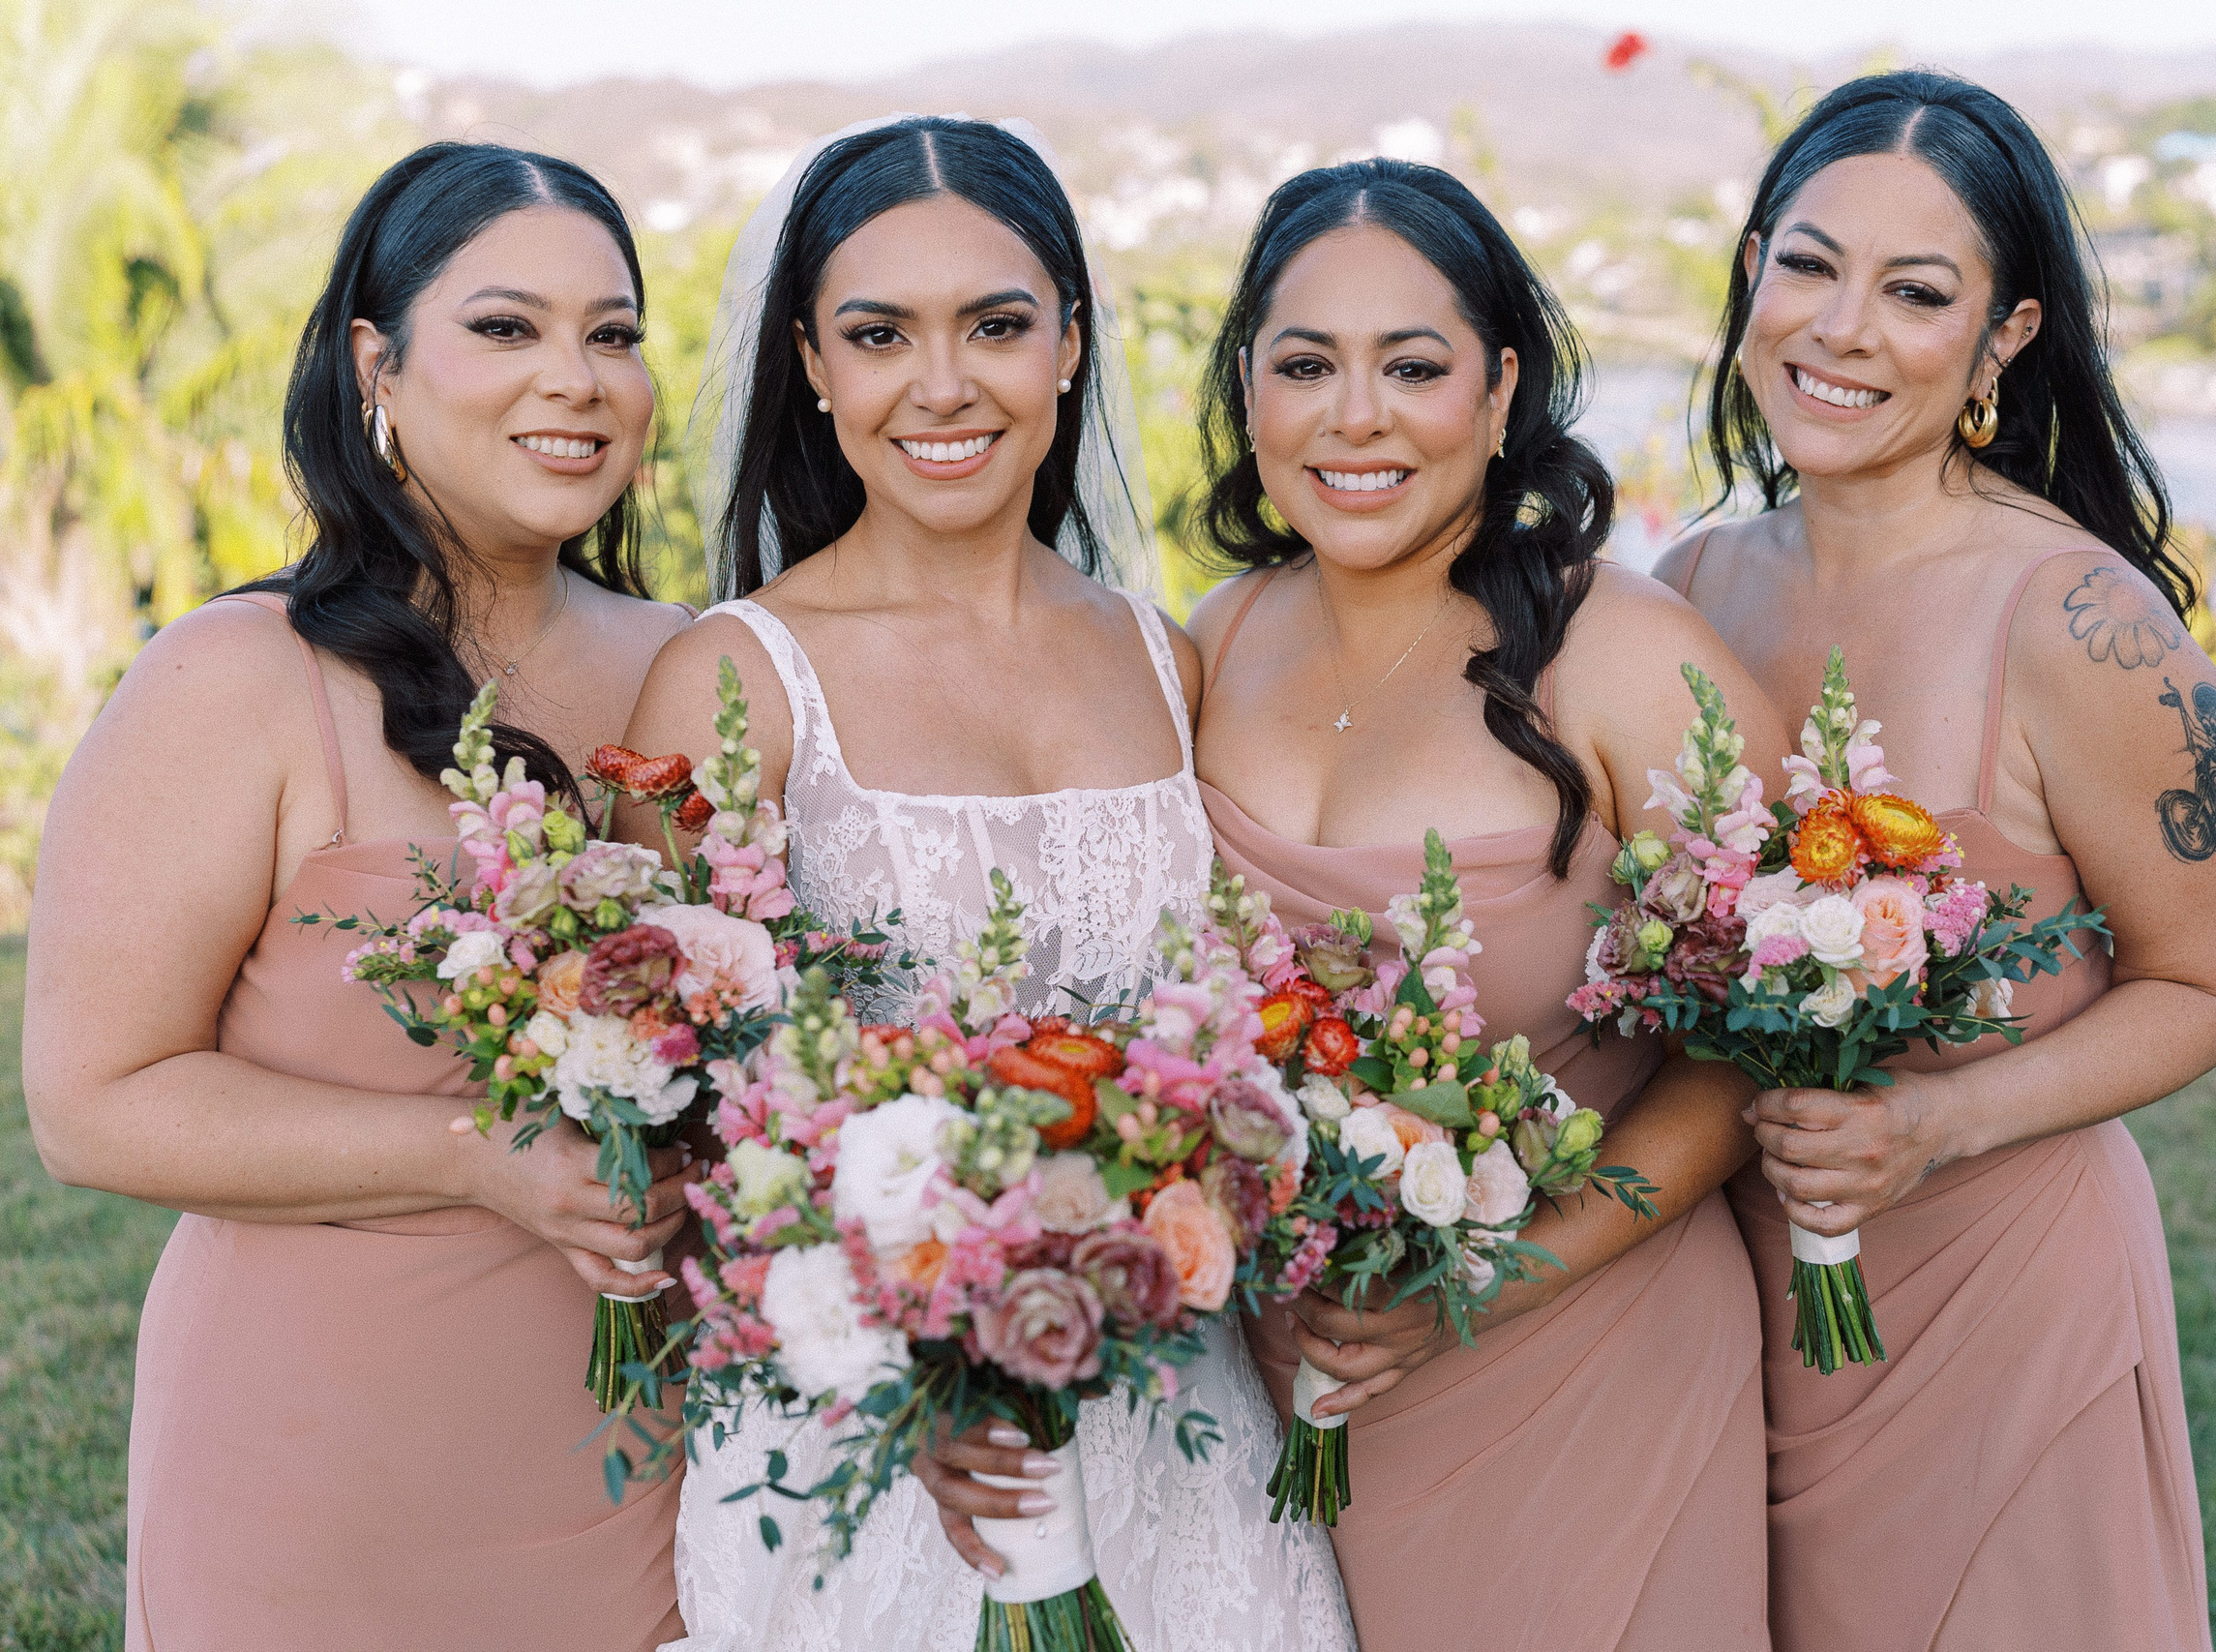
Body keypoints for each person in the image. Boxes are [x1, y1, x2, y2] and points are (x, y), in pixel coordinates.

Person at [617, 115, 1355, 1652]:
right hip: (875, 1446)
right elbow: (677, 1118)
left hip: (1172, 1415)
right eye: (879, 334)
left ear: (1070, 346)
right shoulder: (737, 682)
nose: (942, 385)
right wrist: (911, 1377)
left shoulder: (1165, 660)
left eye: (997, 327)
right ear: (812, 366)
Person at [1081, 154, 1783, 1650]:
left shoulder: (1629, 657)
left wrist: (1499, 1277)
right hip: (1280, 1398)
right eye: (1306, 366)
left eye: (1413, 366)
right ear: (1248, 391)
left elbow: (1754, 1049)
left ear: (1501, 388)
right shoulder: (1212, 642)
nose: (1357, 418)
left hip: (1584, 1381)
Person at [22, 142, 696, 1649]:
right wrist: (480, 1159)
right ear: (375, 365)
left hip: (653, 1463)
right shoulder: (234, 678)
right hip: (320, 1470)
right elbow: (90, 1104)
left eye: (614, 335)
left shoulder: (696, 665)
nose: (577, 379)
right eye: (507, 327)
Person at [1654, 69, 2216, 1652]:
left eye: (1916, 293)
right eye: (1809, 265)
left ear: (2002, 339)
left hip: (2007, 1311)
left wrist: (1933, 1122)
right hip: (1742, 1306)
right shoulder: (1687, 587)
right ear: (1754, 275)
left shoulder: (2086, 621)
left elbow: (2202, 985)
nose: (1842, 329)